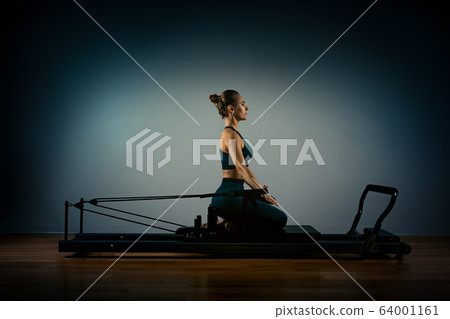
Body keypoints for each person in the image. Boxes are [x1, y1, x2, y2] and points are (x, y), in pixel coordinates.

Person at [207, 89, 288, 232]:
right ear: (231, 108)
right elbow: (240, 167)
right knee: (280, 219)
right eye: (243, 104)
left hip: (237, 194)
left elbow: (243, 168)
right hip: (229, 197)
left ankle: (229, 221)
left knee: (273, 215)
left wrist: (259, 191)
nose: (247, 108)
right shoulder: (229, 134)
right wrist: (262, 192)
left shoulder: (234, 134)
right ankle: (227, 223)